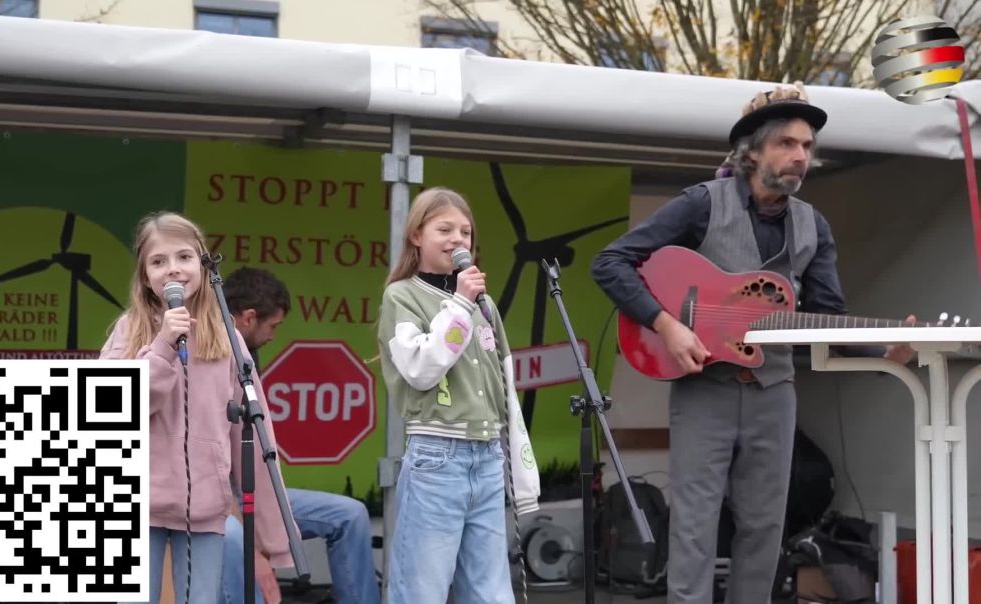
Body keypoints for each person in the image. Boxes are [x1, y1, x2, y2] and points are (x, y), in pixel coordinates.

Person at [590, 82, 916, 603]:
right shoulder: (702, 203)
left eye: (807, 146)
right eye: (787, 143)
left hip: (774, 390)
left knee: (765, 529)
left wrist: (884, 349)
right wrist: (667, 325)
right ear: (754, 151)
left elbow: (827, 320)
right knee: (695, 527)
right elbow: (610, 263)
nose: (800, 156)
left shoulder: (814, 226)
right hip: (706, 392)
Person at [100, 211, 298, 604]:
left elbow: (256, 435)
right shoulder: (129, 329)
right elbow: (112, 411)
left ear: (204, 266)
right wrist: (161, 347)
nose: (173, 269)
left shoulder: (228, 339)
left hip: (204, 512)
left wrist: (274, 538)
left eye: (184, 257)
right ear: (144, 275)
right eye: (158, 261)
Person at [376, 186, 541, 603]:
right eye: (444, 228)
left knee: (491, 592)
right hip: (437, 452)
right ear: (416, 234)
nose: (458, 240)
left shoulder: (482, 304)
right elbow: (420, 368)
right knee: (422, 588)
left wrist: (515, 461)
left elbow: (503, 386)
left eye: (466, 232)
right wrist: (461, 304)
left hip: (486, 454)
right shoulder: (403, 295)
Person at [218, 266, 382, 604]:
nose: (274, 335)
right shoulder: (211, 356)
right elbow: (210, 472)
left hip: (252, 491)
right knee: (238, 546)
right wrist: (257, 546)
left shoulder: (249, 355)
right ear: (248, 318)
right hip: (214, 499)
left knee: (350, 515)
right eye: (273, 325)